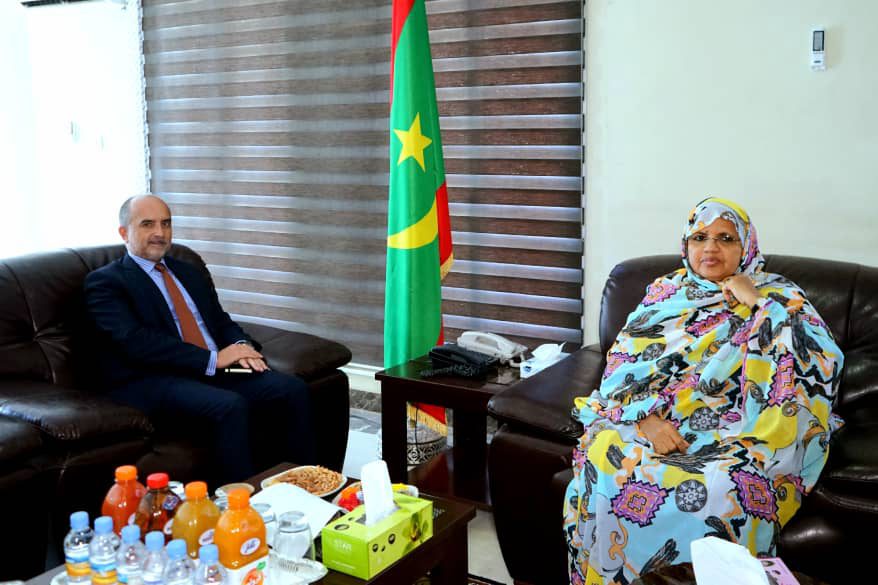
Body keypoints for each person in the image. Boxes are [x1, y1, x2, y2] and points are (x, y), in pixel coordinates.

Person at [563, 197, 844, 584]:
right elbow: (620, 369)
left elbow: (818, 364)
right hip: (653, 420)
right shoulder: (664, 293)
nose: (711, 248)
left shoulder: (781, 296)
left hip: (738, 430)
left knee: (726, 488)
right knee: (605, 456)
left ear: (746, 246)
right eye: (700, 237)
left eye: (726, 238)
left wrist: (758, 304)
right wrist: (645, 420)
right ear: (686, 245)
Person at [84, 194, 315, 482]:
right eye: (147, 224)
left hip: (209, 369)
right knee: (229, 405)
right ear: (124, 233)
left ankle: (308, 487)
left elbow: (219, 320)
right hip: (152, 378)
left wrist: (241, 346)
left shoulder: (187, 271)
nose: (160, 232)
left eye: (166, 223)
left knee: (291, 389)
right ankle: (239, 501)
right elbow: (136, 341)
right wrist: (214, 359)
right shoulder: (106, 282)